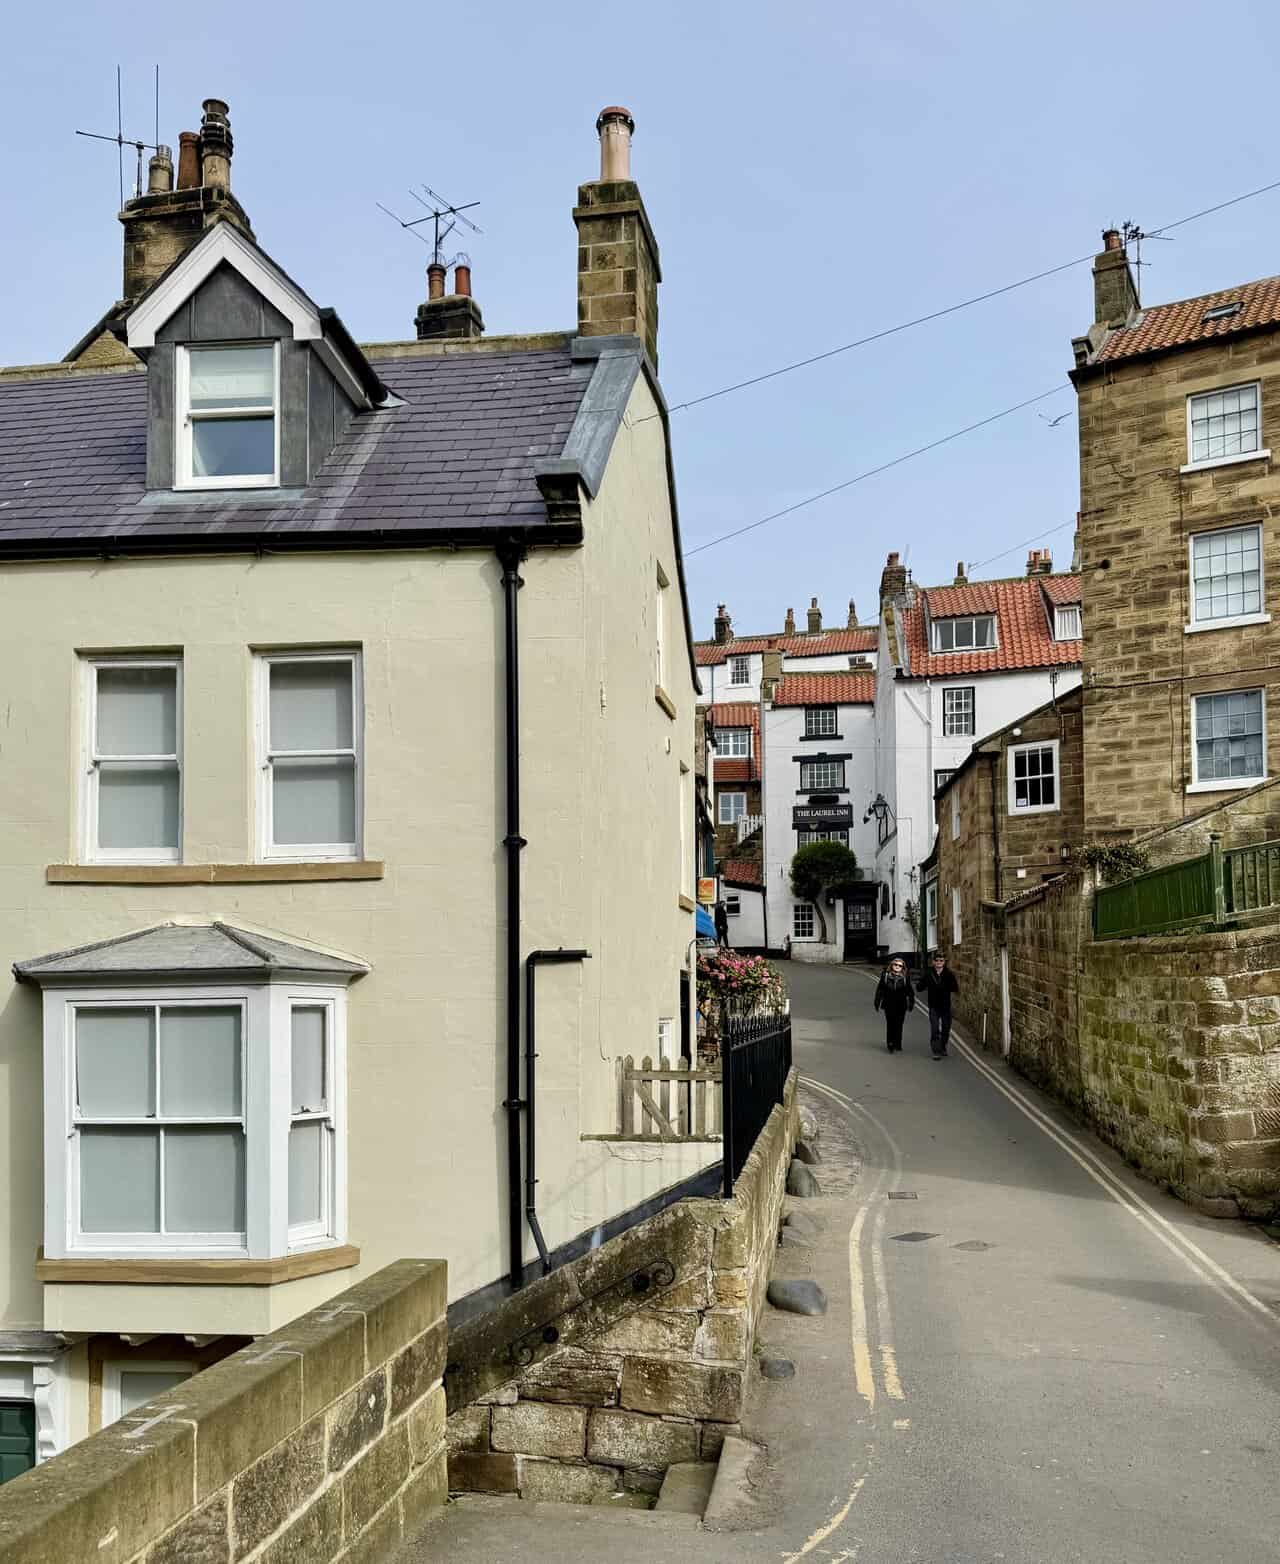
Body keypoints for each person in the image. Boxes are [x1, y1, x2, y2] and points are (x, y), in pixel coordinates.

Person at [917, 951, 959, 1059]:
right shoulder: (928, 973)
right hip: (933, 1006)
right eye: (937, 960)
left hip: (945, 1006)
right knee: (934, 1029)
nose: (939, 962)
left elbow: (955, 987)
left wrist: (945, 987)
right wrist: (922, 984)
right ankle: (936, 1051)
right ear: (933, 962)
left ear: (944, 962)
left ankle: (943, 1046)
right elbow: (919, 987)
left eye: (941, 960)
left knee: (946, 1028)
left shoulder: (949, 974)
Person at [873, 955, 915, 1053]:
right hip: (889, 1004)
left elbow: (910, 991)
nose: (897, 966)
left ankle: (898, 1042)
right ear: (891, 965)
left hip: (901, 1004)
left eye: (900, 965)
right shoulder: (886, 976)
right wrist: (877, 1001)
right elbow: (880, 989)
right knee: (890, 1023)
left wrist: (911, 1002)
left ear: (902, 967)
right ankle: (890, 1043)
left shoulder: (905, 977)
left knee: (899, 1024)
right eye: (895, 964)